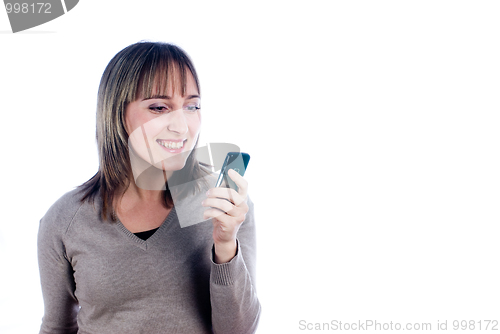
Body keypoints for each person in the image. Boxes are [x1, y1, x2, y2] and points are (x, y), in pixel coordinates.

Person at [37, 41, 261, 334]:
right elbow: (57, 327)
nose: (181, 126)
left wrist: (225, 245)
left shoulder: (223, 208)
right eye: (159, 107)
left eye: (192, 106)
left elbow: (238, 331)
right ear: (118, 113)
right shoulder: (66, 220)